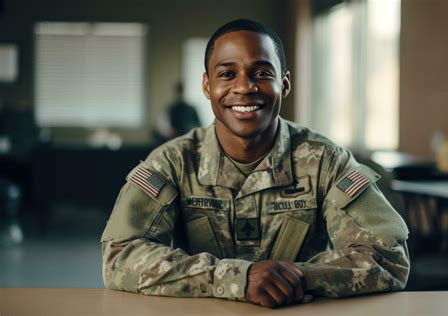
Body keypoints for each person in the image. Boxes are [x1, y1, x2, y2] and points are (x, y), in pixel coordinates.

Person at [101, 19, 409, 308]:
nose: (245, 86)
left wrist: (288, 279)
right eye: (227, 74)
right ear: (207, 86)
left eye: (262, 73)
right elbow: (119, 255)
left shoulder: (326, 161)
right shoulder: (172, 162)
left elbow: (388, 257)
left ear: (284, 84)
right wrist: (236, 279)